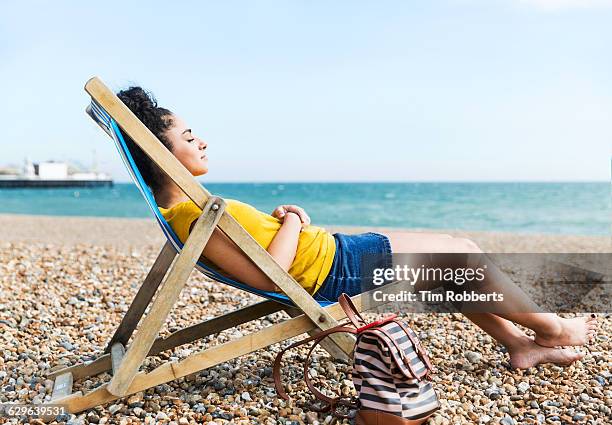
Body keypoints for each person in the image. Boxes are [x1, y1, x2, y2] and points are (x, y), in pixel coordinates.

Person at [116, 86, 597, 370]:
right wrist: (294, 220)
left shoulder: (188, 209)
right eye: (187, 136)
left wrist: (284, 224)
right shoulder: (196, 214)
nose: (201, 140)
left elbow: (263, 258)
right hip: (336, 271)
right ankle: (551, 329)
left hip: (334, 255)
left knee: (454, 255)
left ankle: (518, 344)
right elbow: (269, 275)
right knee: (462, 256)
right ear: (159, 153)